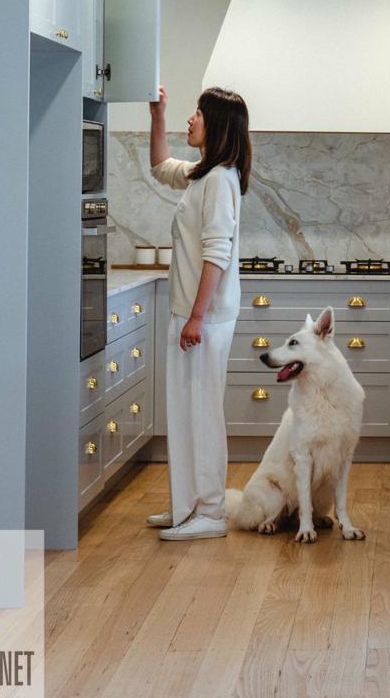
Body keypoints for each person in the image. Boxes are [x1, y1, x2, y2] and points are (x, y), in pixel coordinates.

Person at [144, 86, 251, 540]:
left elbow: (216, 254)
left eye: (198, 114)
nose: (191, 120)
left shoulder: (221, 181)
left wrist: (196, 318)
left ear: (218, 125)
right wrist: (158, 116)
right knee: (185, 412)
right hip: (192, 314)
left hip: (203, 318)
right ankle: (186, 504)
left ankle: (210, 511)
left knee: (202, 412)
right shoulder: (202, 174)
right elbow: (159, 167)